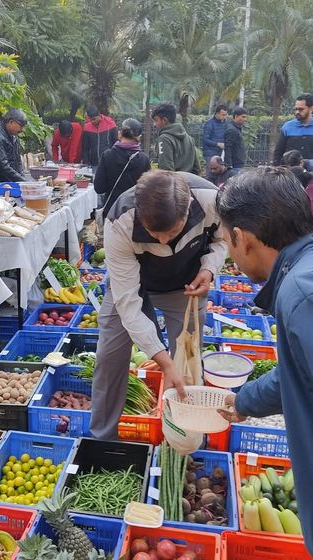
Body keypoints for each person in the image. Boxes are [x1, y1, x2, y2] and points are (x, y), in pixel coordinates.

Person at [216, 167, 313, 554]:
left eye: (226, 241)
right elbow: (296, 373)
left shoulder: (301, 294)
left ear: (242, 238)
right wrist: (244, 401)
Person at [90, 170, 227, 440]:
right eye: (155, 233)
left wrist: (209, 268)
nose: (163, 241)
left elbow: (224, 240)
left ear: (187, 209)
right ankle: (102, 438)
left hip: (186, 285)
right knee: (110, 356)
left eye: (172, 231)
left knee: (187, 359)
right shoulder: (120, 220)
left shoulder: (211, 200)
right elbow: (128, 304)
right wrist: (163, 361)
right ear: (141, 215)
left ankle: (184, 437)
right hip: (133, 282)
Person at [93, 118, 150, 218]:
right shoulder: (144, 159)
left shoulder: (107, 155)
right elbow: (147, 191)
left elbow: (99, 188)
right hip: (135, 214)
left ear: (120, 134)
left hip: (112, 213)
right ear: (138, 137)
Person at [152, 103, 200, 174]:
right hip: (188, 183)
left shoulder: (164, 139)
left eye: (156, 120)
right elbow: (197, 168)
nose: (154, 124)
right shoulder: (190, 139)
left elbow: (166, 170)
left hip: (173, 183)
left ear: (164, 120)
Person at [273, 94, 313, 168]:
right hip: (291, 175)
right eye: (296, 109)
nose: (297, 112)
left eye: (301, 109)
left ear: (311, 109)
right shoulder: (287, 127)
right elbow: (278, 153)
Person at [224, 107, 247, 172]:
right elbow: (228, 148)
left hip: (238, 163)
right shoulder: (231, 130)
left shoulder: (236, 128)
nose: (245, 119)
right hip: (235, 165)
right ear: (236, 116)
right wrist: (229, 165)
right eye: (243, 117)